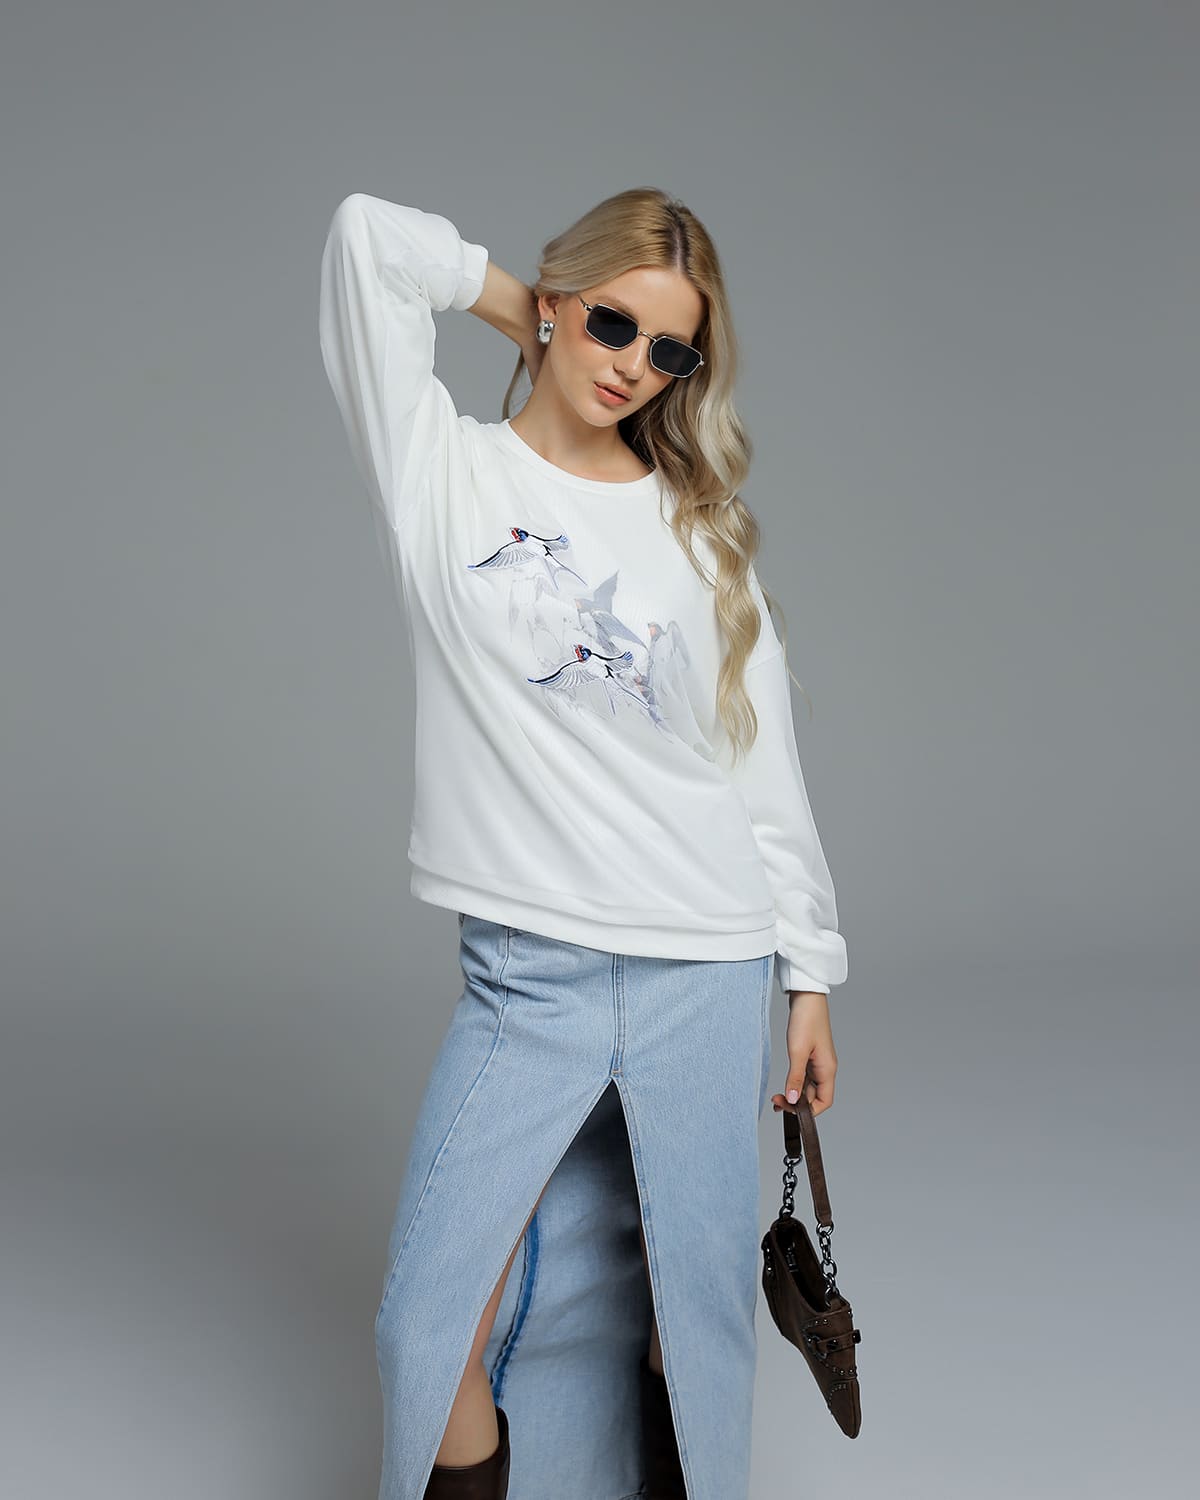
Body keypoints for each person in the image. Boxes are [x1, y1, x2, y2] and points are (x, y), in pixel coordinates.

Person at [318, 187, 849, 1500]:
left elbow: (760, 767)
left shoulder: (695, 530)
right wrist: (528, 312)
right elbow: (367, 240)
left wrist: (809, 975)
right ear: (561, 299)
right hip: (528, 978)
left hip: (705, 965)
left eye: (669, 350)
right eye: (613, 322)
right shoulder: (445, 470)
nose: (633, 366)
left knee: (690, 1330)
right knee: (428, 1328)